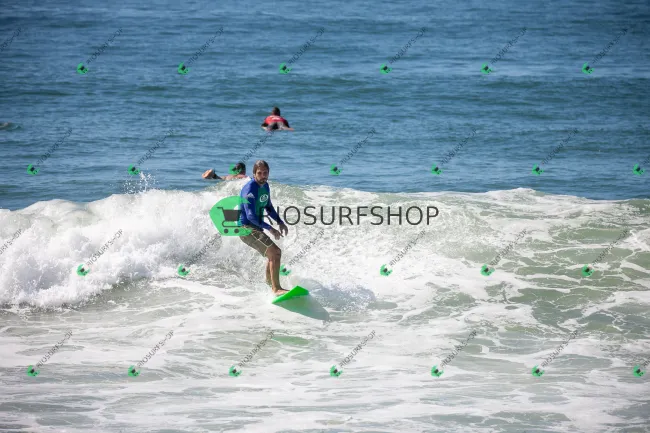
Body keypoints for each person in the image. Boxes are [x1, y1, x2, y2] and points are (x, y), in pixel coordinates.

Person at [238, 160, 289, 296]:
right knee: (275, 252)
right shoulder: (250, 189)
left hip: (255, 228)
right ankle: (276, 289)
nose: (263, 176)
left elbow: (268, 207)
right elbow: (250, 216)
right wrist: (270, 228)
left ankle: (270, 286)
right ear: (254, 174)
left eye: (265, 173)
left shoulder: (265, 186)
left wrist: (280, 222)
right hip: (246, 228)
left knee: (272, 254)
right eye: (259, 173)